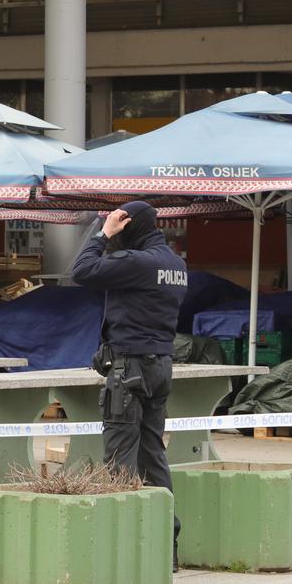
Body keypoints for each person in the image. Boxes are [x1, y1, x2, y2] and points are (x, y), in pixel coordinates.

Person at [70, 201, 188, 553]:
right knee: (153, 456)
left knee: (120, 459)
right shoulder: (176, 264)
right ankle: (166, 549)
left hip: (130, 369)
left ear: (129, 226)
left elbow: (82, 270)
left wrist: (103, 233)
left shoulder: (138, 262)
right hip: (160, 367)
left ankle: (120, 550)